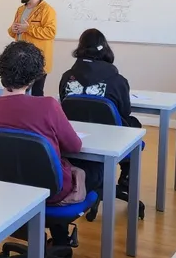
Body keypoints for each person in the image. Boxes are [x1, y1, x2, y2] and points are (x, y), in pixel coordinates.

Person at [0, 41, 84, 245]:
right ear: (36, 76)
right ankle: (61, 238)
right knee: (88, 171)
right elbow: (75, 146)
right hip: (53, 190)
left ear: (2, 71)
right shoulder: (48, 106)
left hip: (9, 187)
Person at [59, 28, 138, 201]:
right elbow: (125, 112)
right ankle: (126, 175)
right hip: (111, 140)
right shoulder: (117, 80)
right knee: (134, 125)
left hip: (75, 138)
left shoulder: (66, 77)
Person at [8, 0, 56, 96]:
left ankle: (37, 116)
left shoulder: (47, 10)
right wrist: (13, 29)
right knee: (19, 93)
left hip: (38, 62)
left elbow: (50, 32)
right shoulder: (20, 10)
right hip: (20, 60)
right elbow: (14, 32)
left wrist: (28, 28)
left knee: (36, 94)